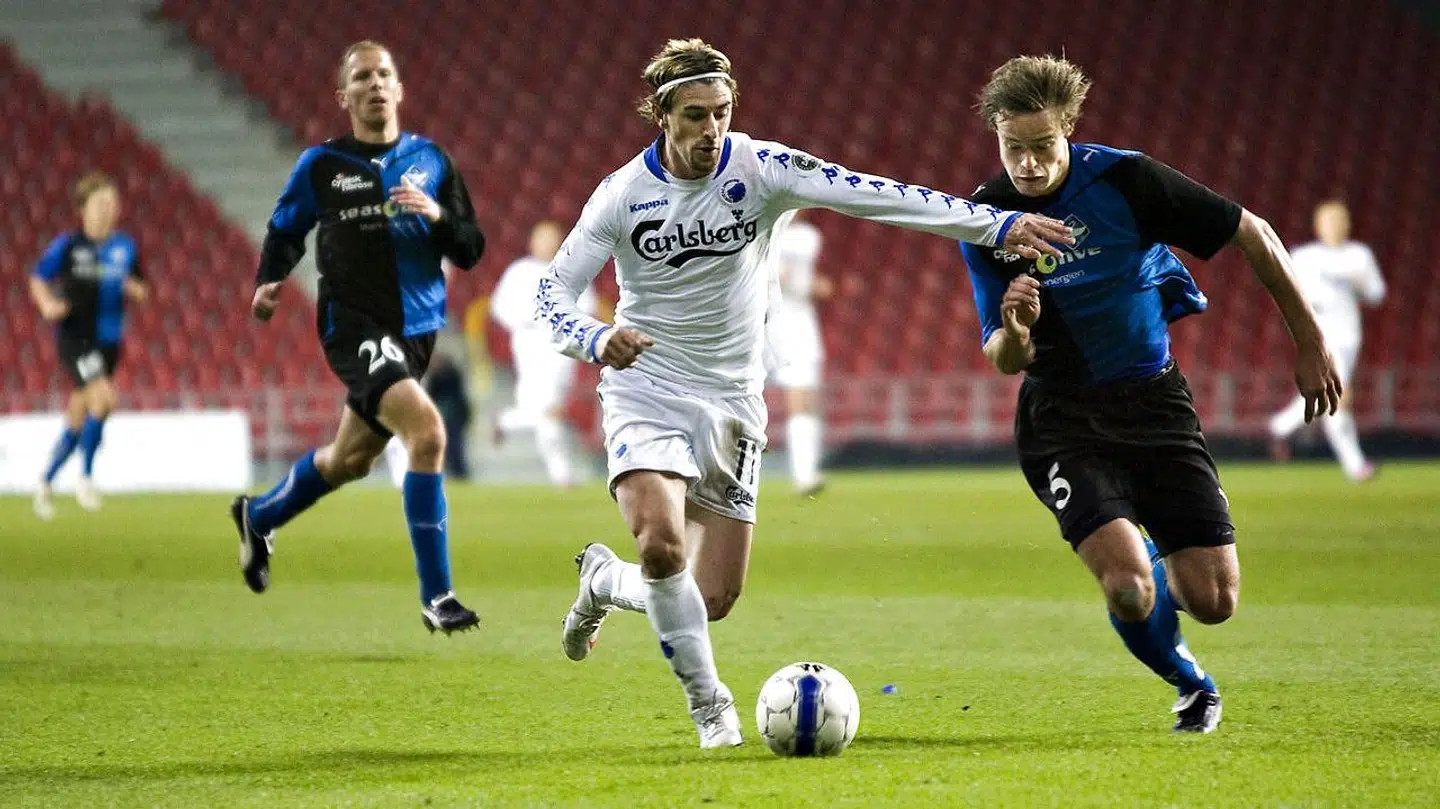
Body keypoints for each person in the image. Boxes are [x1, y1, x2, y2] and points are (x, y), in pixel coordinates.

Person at [543, 38, 1072, 749]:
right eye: (694, 116)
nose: (710, 131)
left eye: (721, 114)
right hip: (648, 387)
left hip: (734, 399)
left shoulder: (762, 169)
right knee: (663, 545)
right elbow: (553, 292)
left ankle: (606, 581)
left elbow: (877, 197)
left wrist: (997, 222)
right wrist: (594, 338)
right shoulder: (620, 196)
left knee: (712, 597)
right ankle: (712, 710)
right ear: (661, 116)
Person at [958, 55, 1341, 733]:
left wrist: (1308, 342)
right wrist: (1016, 327)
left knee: (1216, 598)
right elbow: (1002, 359)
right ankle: (1191, 682)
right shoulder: (988, 217)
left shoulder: (1127, 181)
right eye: (1013, 148)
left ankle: (1163, 561)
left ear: (1070, 130)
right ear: (995, 134)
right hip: (1063, 418)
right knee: (1129, 586)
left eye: (1043, 147)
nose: (1029, 165)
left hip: (1155, 404)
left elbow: (1252, 232)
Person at [229, 40, 485, 634]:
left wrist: (439, 217)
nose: (375, 84)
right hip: (354, 325)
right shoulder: (321, 166)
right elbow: (285, 229)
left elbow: (470, 249)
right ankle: (437, 596)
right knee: (427, 433)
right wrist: (270, 278)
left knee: (349, 460)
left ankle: (258, 515)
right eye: (362, 77)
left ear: (399, 89)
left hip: (417, 334)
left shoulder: (432, 161)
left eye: (384, 74)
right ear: (343, 96)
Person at [29, 171, 148, 519]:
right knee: (105, 398)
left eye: (112, 203)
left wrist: (133, 288)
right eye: (100, 203)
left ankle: (45, 481)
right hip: (76, 339)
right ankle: (86, 477)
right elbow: (38, 277)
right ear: (82, 208)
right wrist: (47, 304)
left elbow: (142, 287)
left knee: (80, 413)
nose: (108, 209)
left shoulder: (125, 246)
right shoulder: (68, 246)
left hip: (110, 342)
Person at [1268, 200, 1385, 480]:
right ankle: (1355, 466)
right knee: (1338, 395)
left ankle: (1280, 428)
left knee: (1331, 398)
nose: (1334, 226)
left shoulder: (1359, 256)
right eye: (1328, 221)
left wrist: (1359, 283)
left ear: (1348, 224)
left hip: (1349, 337)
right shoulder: (1305, 257)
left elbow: (1377, 293)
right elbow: (1289, 292)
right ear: (1318, 225)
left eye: (1339, 220)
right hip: (1321, 334)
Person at [490, 220, 597, 487]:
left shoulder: (572, 268)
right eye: (543, 238)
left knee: (545, 411)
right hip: (529, 346)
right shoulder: (519, 272)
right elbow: (500, 307)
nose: (548, 243)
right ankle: (562, 476)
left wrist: (567, 326)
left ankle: (506, 421)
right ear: (532, 242)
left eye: (553, 238)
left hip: (562, 349)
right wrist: (528, 321)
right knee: (548, 411)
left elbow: (588, 305)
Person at [764, 210, 832, 496]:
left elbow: (819, 283)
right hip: (763, 322)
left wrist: (813, 286)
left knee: (804, 399)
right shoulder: (761, 230)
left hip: (798, 322)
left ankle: (806, 474)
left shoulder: (809, 238)